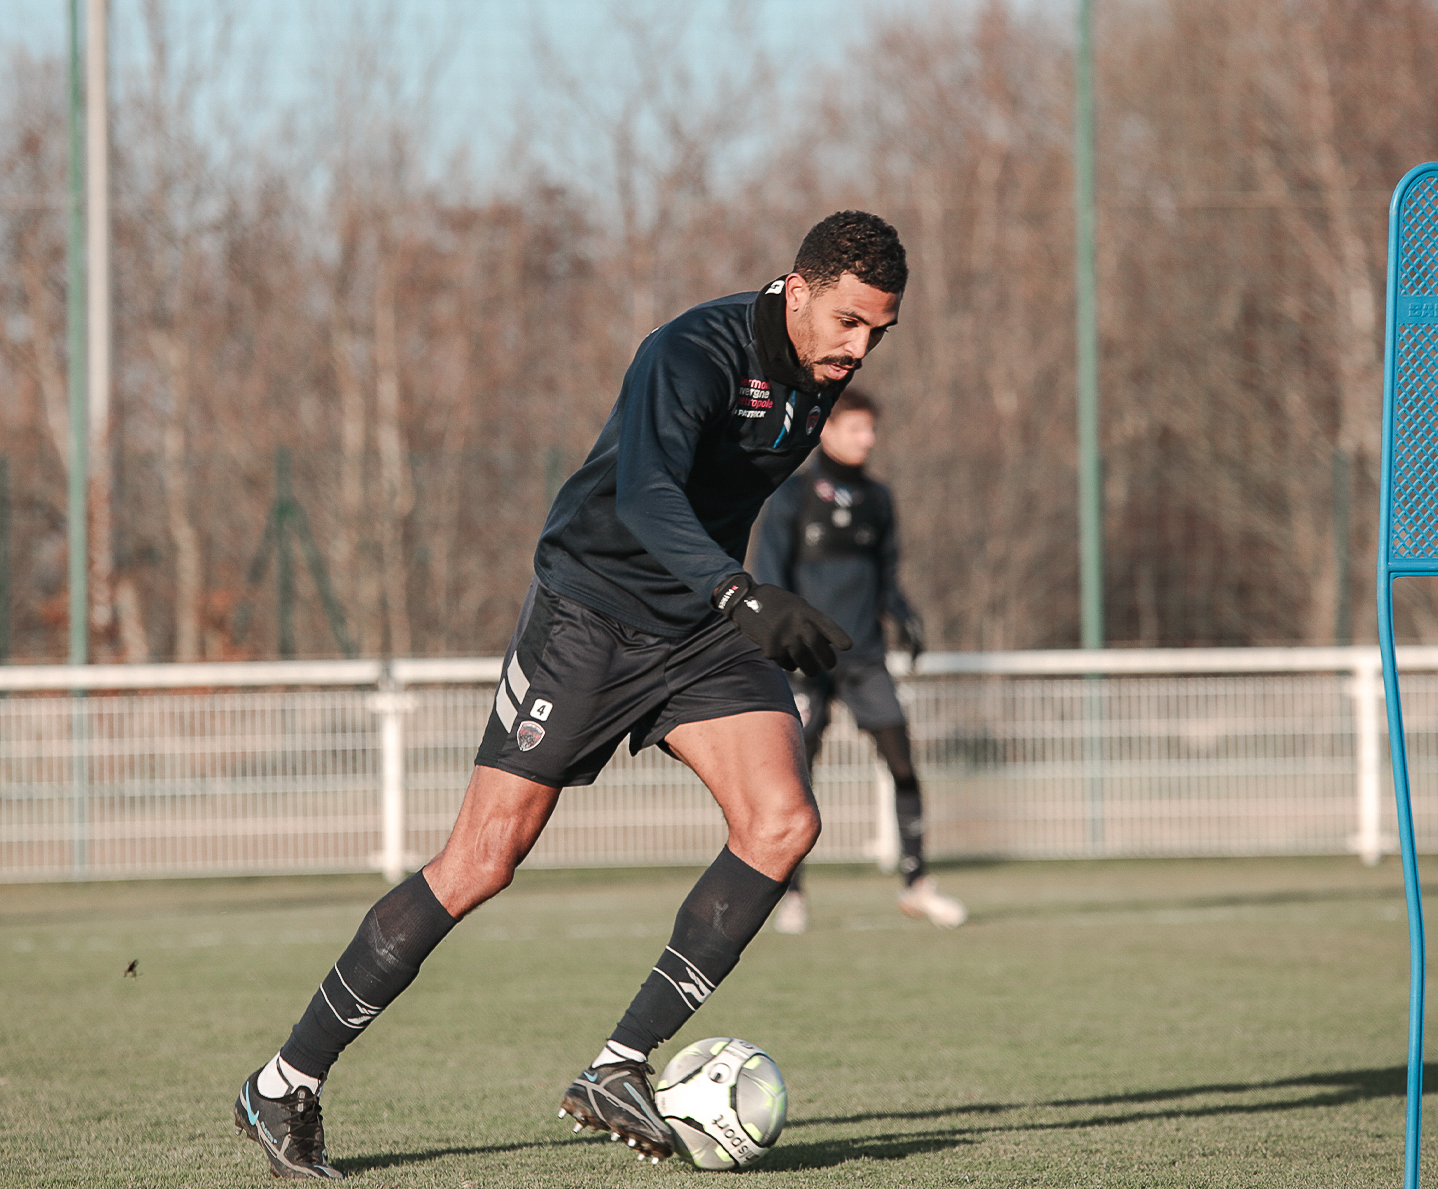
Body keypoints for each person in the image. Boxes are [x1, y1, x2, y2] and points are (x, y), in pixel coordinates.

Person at [231, 211, 906, 1179]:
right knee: (481, 862)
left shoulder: (818, 382)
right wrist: (739, 590)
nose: (858, 348)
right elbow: (646, 496)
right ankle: (283, 1086)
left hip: (700, 631)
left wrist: (741, 600)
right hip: (590, 616)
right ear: (796, 289)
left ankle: (616, 1067)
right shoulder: (690, 352)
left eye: (878, 333)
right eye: (847, 322)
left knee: (782, 823)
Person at [753, 389, 966, 934]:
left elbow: (885, 575)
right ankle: (790, 893)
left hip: (865, 657)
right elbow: (771, 577)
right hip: (806, 660)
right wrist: (782, 639)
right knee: (796, 776)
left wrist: (905, 614)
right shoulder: (792, 496)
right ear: (826, 429)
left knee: (902, 763)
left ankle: (917, 883)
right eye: (856, 428)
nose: (867, 438)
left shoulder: (878, 498)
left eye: (871, 429)